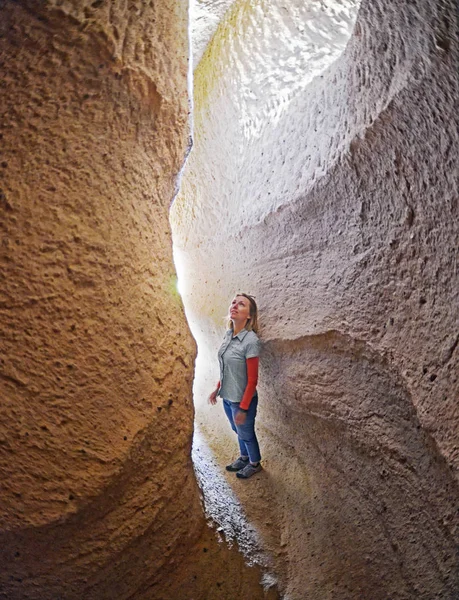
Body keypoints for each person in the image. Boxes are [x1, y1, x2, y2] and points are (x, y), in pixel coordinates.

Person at [208, 293, 262, 479]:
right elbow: (227, 368)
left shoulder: (251, 341)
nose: (235, 306)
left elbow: (253, 379)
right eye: (233, 302)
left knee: (246, 434)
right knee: (237, 430)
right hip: (228, 397)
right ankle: (244, 456)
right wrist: (218, 387)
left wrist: (244, 408)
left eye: (241, 304)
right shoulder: (228, 335)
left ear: (249, 315)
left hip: (242, 400)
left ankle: (254, 463)